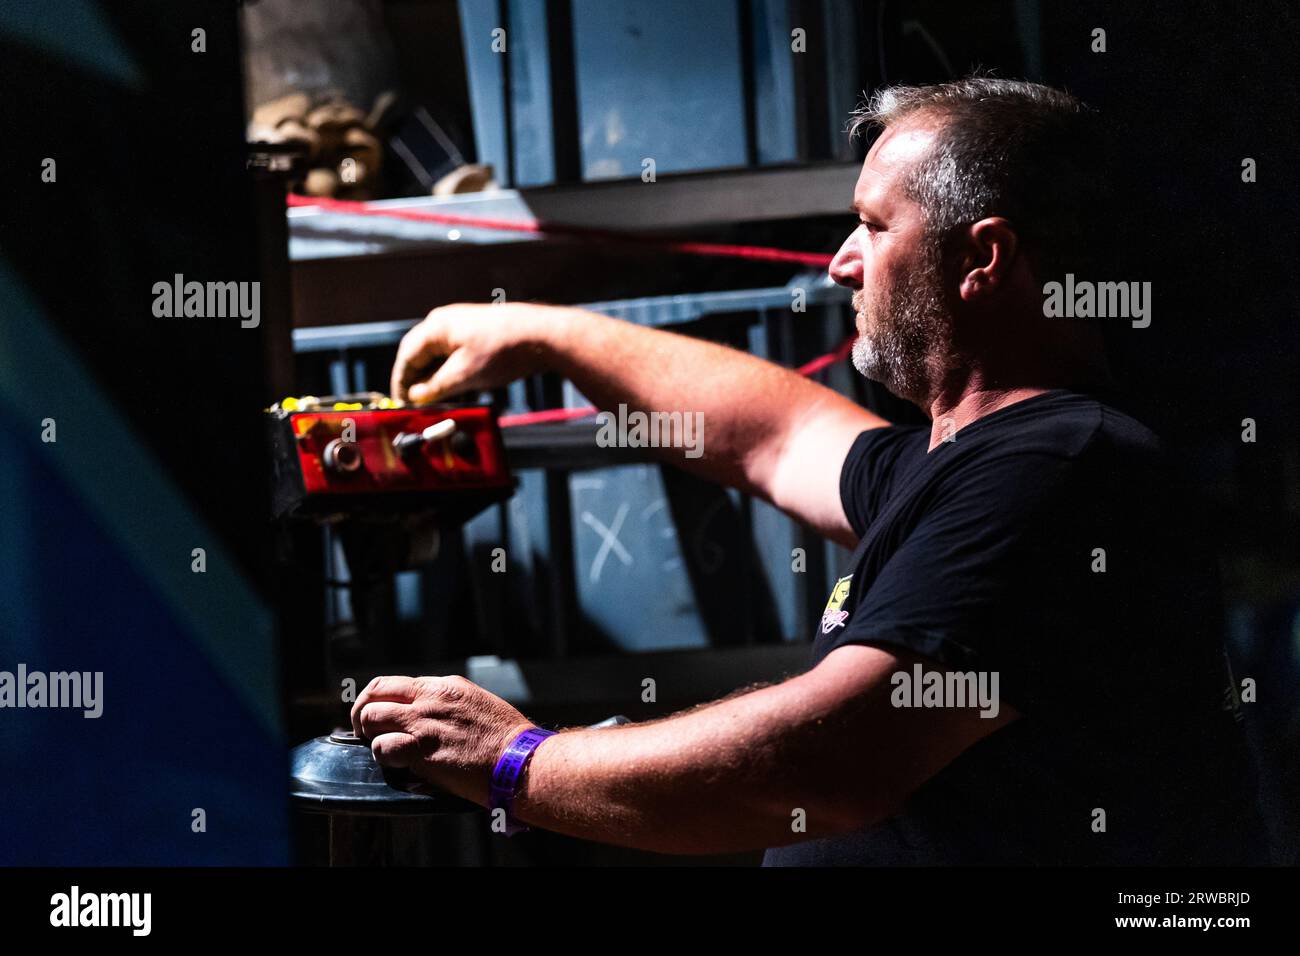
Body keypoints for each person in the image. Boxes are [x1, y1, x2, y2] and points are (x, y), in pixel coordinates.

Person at [351, 77, 1263, 864]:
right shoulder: (957, 463)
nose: (840, 263)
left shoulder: (1061, 470)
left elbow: (828, 762)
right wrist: (539, 332)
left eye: (872, 224)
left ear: (982, 257)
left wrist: (514, 761)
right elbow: (771, 436)